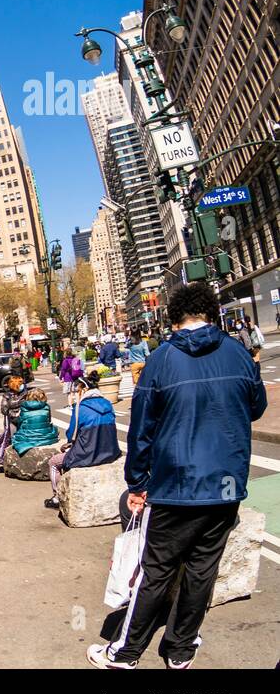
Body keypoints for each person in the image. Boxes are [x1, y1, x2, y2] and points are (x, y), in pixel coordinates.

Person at [88, 283, 266, 670]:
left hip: (175, 483)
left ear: (173, 318)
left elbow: (141, 430)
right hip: (227, 482)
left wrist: (137, 482)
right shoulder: (238, 353)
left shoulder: (161, 360)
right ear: (212, 312)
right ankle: (181, 648)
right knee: (203, 570)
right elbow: (256, 407)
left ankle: (126, 651)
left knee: (156, 571)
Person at [45, 370, 120, 510]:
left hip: (88, 454)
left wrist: (67, 445)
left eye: (77, 390)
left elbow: (71, 434)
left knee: (54, 462)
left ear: (84, 390)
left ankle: (57, 497)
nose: (76, 394)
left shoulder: (80, 407)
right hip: (110, 451)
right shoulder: (108, 404)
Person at [11, 387, 57, 455]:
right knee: (54, 428)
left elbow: (19, 422)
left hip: (28, 437)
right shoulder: (46, 407)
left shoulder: (24, 407)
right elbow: (48, 421)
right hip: (46, 436)